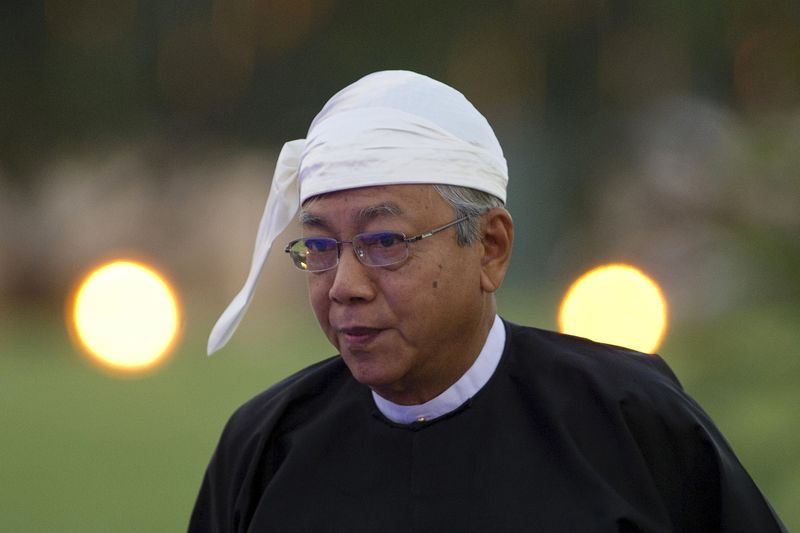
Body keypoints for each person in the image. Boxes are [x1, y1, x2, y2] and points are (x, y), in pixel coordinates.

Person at [190, 71, 786, 532]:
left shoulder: (629, 422)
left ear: (490, 248)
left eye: (383, 242)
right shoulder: (266, 447)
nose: (344, 283)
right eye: (320, 245)